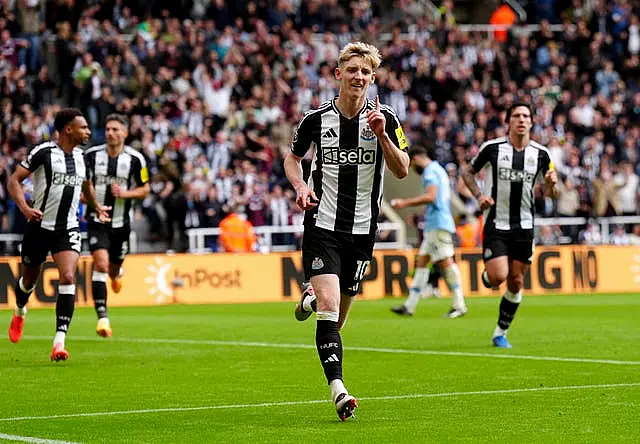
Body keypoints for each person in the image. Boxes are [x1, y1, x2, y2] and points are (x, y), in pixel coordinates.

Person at [285, 41, 409, 421]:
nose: (359, 77)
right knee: (330, 307)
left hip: (363, 230)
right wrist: (301, 187)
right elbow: (293, 159)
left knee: (337, 321)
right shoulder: (315, 120)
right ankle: (339, 391)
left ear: (373, 78)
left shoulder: (386, 117)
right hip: (322, 224)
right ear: (338, 74)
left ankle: (307, 301)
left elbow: (403, 168)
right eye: (352, 70)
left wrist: (384, 136)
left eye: (366, 72)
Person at [7, 108, 110, 361]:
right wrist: (25, 208)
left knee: (67, 276)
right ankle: (20, 310)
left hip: (67, 228)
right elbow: (14, 180)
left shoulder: (82, 158)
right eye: (83, 127)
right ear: (68, 129)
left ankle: (59, 341)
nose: (88, 131)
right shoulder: (43, 153)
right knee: (28, 280)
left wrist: (96, 207)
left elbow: (87, 187)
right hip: (39, 226)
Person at [461, 103, 558, 349]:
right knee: (497, 277)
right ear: (509, 122)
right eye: (516, 116)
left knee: (515, 281)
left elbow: (551, 194)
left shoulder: (542, 154)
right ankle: (488, 276)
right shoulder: (492, 148)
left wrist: (551, 185)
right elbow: (467, 172)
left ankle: (500, 332)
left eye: (526, 116)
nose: (522, 120)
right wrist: (479, 196)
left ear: (532, 122)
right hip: (496, 222)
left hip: (524, 226)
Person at [84, 114, 150, 338]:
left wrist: (125, 193)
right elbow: (83, 186)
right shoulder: (91, 156)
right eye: (108, 129)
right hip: (96, 220)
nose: (111, 133)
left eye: (115, 129)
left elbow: (145, 189)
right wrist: (93, 203)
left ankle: (116, 274)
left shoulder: (136, 159)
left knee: (112, 269)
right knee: (100, 264)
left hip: (121, 223)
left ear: (125, 133)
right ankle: (102, 318)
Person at [389, 144, 467, 318]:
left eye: (411, 164)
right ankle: (409, 306)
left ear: (415, 158)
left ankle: (460, 305)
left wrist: (404, 203)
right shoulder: (438, 169)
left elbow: (431, 197)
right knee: (422, 262)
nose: (412, 168)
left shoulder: (430, 172)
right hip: (435, 223)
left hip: (438, 224)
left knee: (447, 262)